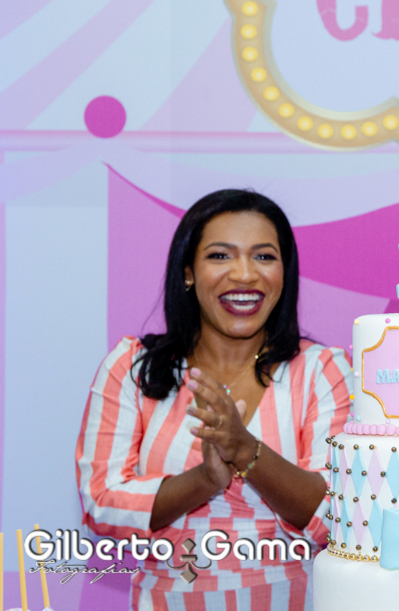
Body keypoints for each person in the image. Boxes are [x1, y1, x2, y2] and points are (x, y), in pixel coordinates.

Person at [76, 190, 351, 610]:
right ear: (188, 272)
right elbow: (102, 503)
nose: (244, 274)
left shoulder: (323, 371)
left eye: (264, 257)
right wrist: (204, 481)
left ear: (284, 274)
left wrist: (246, 451)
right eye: (221, 256)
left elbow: (339, 516)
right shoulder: (133, 367)